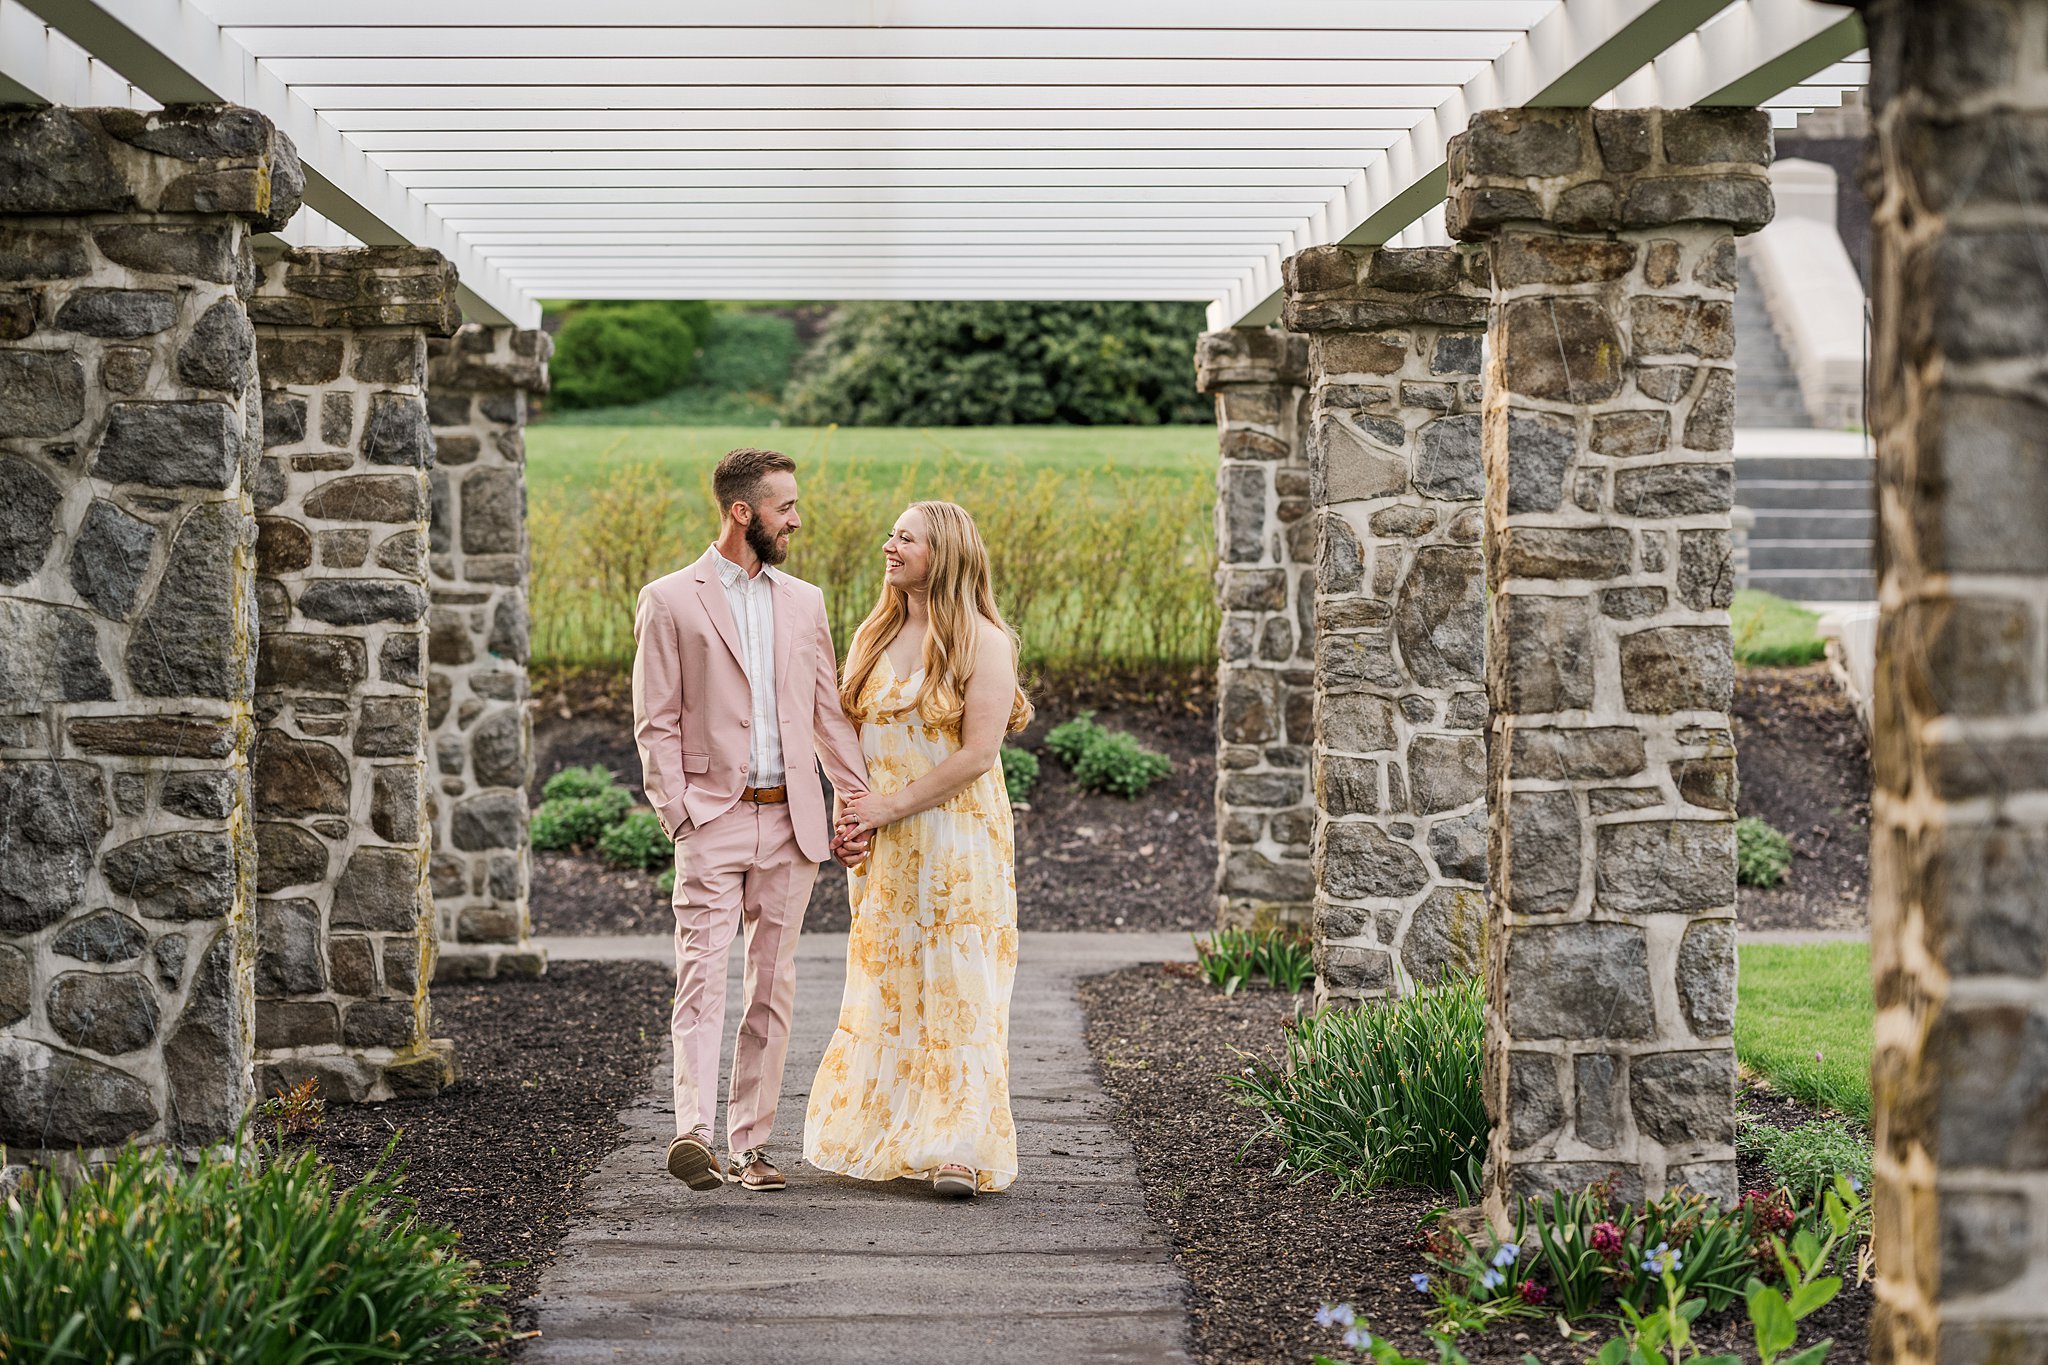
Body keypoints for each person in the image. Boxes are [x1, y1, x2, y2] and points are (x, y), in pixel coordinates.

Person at [631, 447, 871, 1195]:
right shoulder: (670, 599)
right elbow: (655, 722)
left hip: (792, 823)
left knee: (772, 985)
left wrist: (853, 802)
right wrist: (681, 815)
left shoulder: (806, 601)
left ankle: (750, 1147)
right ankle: (693, 1133)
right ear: (744, 512)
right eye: (785, 507)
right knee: (702, 974)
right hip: (713, 819)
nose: (796, 519)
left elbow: (828, 714)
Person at [802, 500, 1032, 1198]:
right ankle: (896, 1132)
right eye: (892, 534)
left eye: (906, 537)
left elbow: (978, 755)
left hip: (957, 836)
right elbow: (848, 740)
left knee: (957, 981)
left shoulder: (985, 642)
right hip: (889, 842)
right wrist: (852, 816)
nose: (888, 545)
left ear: (946, 552)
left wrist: (888, 806)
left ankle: (959, 1147)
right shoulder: (875, 633)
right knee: (890, 982)